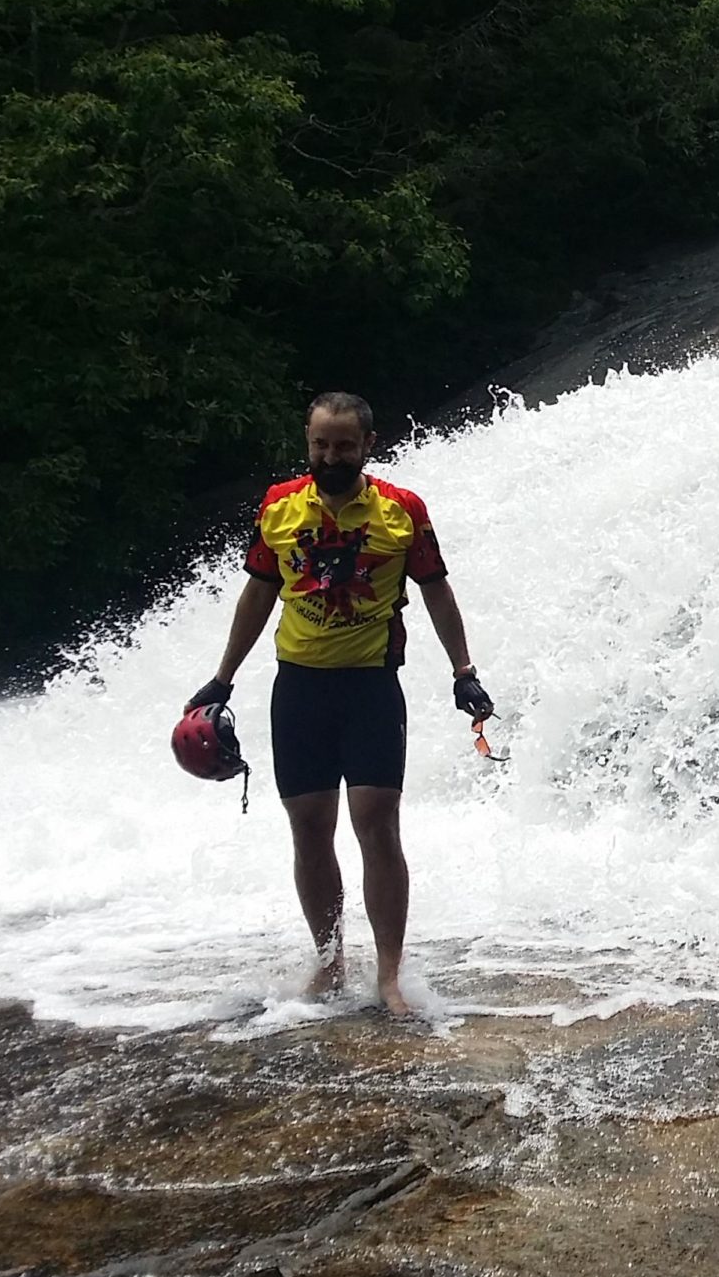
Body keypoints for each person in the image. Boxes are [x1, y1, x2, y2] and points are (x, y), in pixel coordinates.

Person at [187, 392, 492, 1016]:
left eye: (344, 446)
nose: (331, 456)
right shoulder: (278, 507)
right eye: (321, 445)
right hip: (298, 688)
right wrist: (223, 678)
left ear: (367, 446)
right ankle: (329, 963)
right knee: (310, 829)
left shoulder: (402, 512)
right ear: (308, 441)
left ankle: (388, 975)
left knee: (377, 823)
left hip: (372, 687)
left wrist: (464, 671)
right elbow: (259, 594)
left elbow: (437, 592)